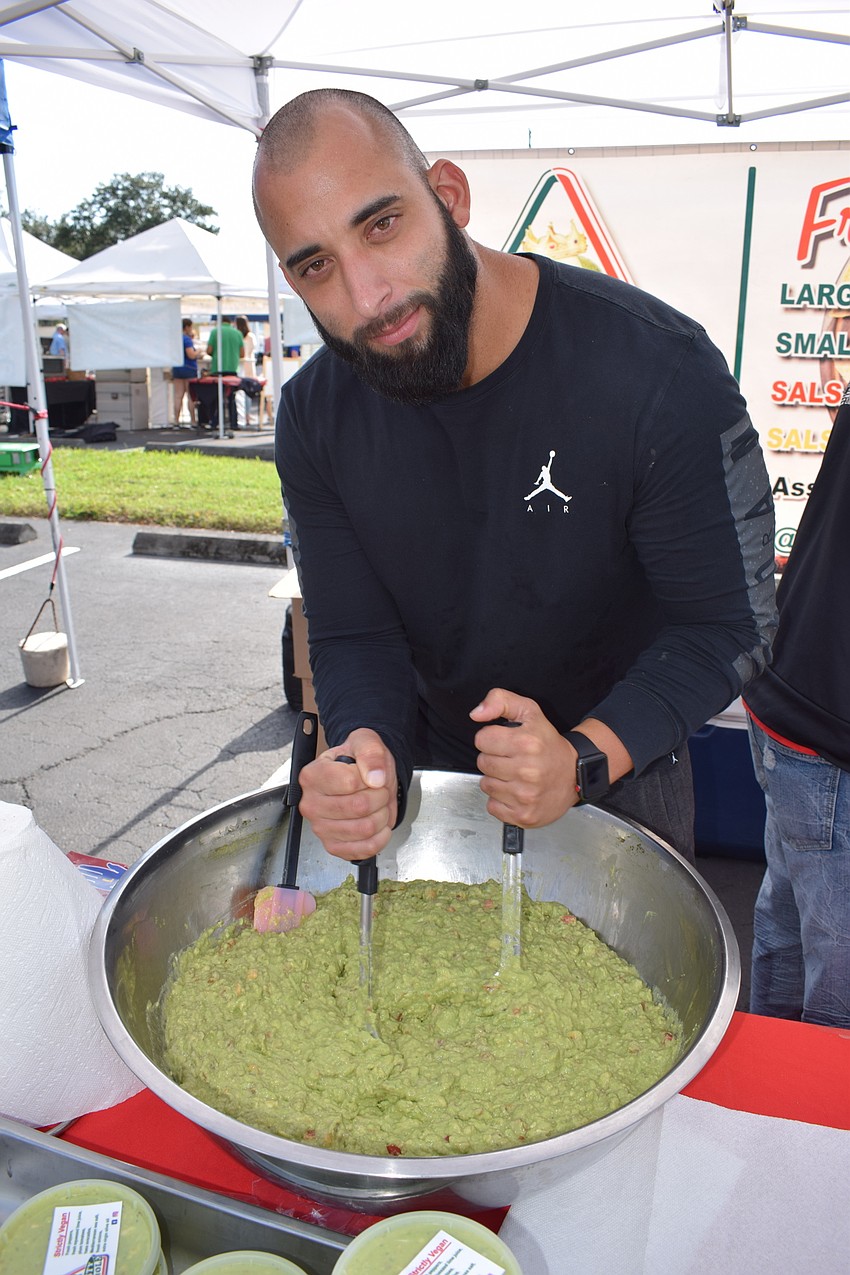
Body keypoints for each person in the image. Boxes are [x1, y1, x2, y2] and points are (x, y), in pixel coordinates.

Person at [252, 88, 777, 867]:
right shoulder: (314, 416)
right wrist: (364, 751)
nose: (369, 297)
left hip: (621, 772)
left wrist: (582, 757)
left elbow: (731, 625)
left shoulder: (658, 371)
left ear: (449, 196)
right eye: (319, 266)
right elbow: (356, 634)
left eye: (382, 224)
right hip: (424, 789)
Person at [743, 394, 850, 1028]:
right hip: (827, 728)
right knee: (839, 972)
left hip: (788, 694)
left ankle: (766, 1090)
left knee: (787, 919)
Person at [172, 318, 202, 427]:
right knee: (190, 396)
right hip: (189, 368)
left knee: (178, 396)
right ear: (187, 327)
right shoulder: (187, 340)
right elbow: (191, 355)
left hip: (177, 368)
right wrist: (198, 351)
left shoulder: (175, 339)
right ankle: (193, 421)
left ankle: (176, 421)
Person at [235, 315, 257, 427]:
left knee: (241, 391)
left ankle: (244, 416)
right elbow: (252, 349)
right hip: (249, 364)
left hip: (240, 365)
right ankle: (247, 416)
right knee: (248, 391)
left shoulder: (238, 336)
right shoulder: (251, 336)